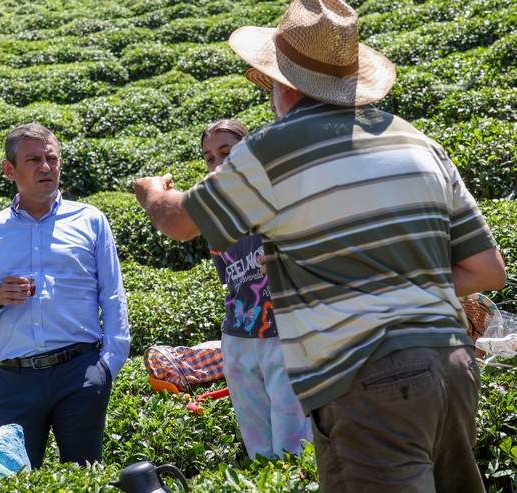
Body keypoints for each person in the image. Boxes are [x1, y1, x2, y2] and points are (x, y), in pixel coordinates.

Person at [133, 0, 506, 491]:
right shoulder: (416, 141)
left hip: (367, 377)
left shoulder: (273, 149)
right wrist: (394, 285)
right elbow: (487, 270)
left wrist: (154, 194)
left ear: (283, 84)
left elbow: (181, 224)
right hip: (452, 366)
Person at [0, 123, 130, 469]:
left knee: (84, 480)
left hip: (80, 374)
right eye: (33, 159)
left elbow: (113, 297)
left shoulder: (90, 220)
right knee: (15, 480)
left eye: (52, 158)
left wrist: (107, 366)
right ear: (10, 170)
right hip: (16, 380)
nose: (46, 167)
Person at [200, 119, 310, 459]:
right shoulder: (215, 220)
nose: (216, 163)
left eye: (226, 153)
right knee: (258, 449)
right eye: (208, 157)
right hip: (238, 337)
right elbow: (231, 281)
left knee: (293, 446)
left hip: (285, 334)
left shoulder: (281, 201)